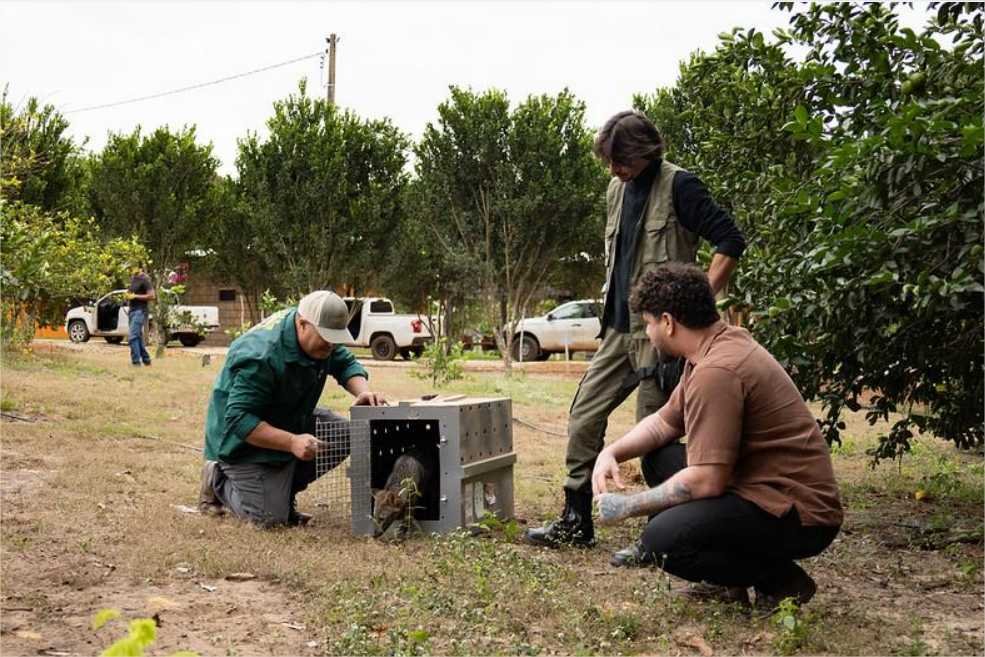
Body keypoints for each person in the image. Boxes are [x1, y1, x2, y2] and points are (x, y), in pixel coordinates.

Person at [525, 110, 746, 564]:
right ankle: (575, 520)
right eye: (608, 162)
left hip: (661, 338)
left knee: (654, 440)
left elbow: (730, 240)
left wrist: (693, 303)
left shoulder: (681, 186)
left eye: (619, 160)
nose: (613, 170)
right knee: (583, 416)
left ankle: (656, 538)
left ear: (643, 152)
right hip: (619, 329)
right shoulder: (615, 190)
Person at [591, 263, 842, 607]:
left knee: (662, 541)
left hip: (800, 513)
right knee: (660, 457)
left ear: (668, 322)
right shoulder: (713, 347)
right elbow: (665, 422)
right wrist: (612, 453)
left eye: (648, 323)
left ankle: (781, 580)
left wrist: (626, 506)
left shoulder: (717, 371)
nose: (648, 333)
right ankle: (729, 582)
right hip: (760, 485)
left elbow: (706, 481)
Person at [198, 290, 387, 527]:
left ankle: (281, 493)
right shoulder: (260, 356)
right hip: (239, 440)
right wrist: (291, 442)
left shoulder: (322, 337)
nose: (331, 344)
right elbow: (239, 419)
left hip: (288, 416)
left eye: (335, 337)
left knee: (347, 433)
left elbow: (344, 362)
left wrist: (363, 391)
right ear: (302, 324)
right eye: (326, 337)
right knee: (270, 519)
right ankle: (218, 480)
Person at [126, 264, 155, 366]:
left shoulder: (145, 279)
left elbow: (152, 295)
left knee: (132, 336)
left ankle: (136, 362)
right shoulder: (133, 278)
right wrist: (127, 296)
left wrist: (135, 296)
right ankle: (146, 360)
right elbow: (130, 293)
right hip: (132, 310)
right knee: (137, 337)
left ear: (139, 268)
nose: (130, 269)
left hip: (140, 311)